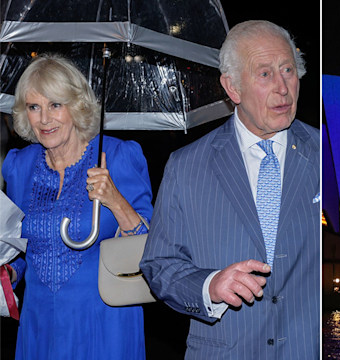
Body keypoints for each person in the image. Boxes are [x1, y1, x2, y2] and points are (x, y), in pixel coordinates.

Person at [140, 20, 319, 359]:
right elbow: (159, 264)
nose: (283, 88)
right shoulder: (185, 166)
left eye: (288, 70)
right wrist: (210, 286)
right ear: (232, 87)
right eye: (265, 74)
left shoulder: (328, 155)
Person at [2, 54, 153, 359]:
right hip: (39, 323)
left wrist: (115, 199)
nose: (44, 119)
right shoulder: (19, 166)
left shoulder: (118, 156)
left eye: (55, 105)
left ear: (77, 105)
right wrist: (10, 274)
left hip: (104, 324)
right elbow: (21, 246)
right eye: (34, 107)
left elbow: (151, 246)